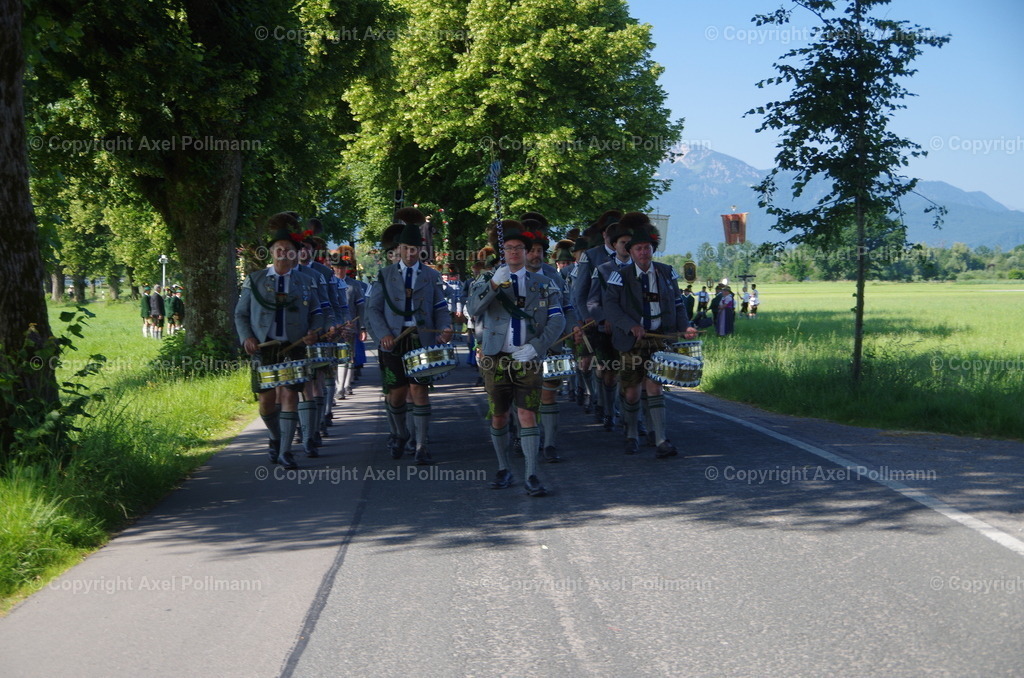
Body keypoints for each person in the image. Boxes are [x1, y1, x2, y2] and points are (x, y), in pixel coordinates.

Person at [468, 223, 565, 496]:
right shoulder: (487, 279)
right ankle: (503, 468)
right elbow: (473, 308)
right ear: (502, 252)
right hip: (496, 357)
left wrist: (537, 346)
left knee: (527, 413)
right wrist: (493, 285)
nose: (514, 252)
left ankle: (532, 474)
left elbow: (557, 319)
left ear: (525, 251)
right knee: (499, 415)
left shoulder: (543, 283)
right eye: (508, 248)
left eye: (519, 248)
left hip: (528, 358)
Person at [234, 214, 326, 469]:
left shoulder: (306, 281)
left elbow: (317, 312)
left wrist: (314, 331)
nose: (284, 254)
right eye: (279, 250)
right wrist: (247, 337)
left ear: (296, 254)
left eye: (289, 250)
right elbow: (241, 314)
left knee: (289, 395)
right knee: (266, 402)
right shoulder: (255, 280)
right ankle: (275, 437)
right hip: (264, 348)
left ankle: (286, 451)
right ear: (271, 252)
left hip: (294, 347)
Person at [603, 213, 697, 458]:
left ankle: (661, 439)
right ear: (630, 251)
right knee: (632, 391)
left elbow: (678, 304)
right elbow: (610, 307)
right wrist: (630, 325)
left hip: (659, 340)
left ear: (653, 249)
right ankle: (632, 433)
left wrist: (685, 327)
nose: (643, 252)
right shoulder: (619, 276)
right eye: (638, 248)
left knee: (655, 386)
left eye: (647, 248)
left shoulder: (666, 273)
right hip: (631, 342)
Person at [366, 213, 454, 464]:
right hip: (392, 340)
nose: (410, 253)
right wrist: (383, 334)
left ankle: (421, 446)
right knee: (396, 393)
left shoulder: (431, 276)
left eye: (414, 248)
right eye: (406, 248)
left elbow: (440, 308)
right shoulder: (384, 275)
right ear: (399, 249)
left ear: (420, 250)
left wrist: (445, 328)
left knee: (419, 390)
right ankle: (400, 433)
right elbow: (373, 309)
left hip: (420, 340)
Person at [522, 219, 582, 463]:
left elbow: (567, 307)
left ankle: (549, 443)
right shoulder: (509, 274)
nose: (536, 255)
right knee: (524, 396)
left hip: (552, 344)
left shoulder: (553, 276)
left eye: (540, 251)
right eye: (531, 250)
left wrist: (574, 326)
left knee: (549, 394)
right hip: (519, 347)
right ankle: (523, 437)